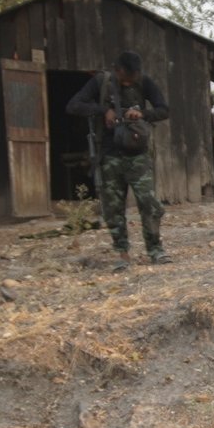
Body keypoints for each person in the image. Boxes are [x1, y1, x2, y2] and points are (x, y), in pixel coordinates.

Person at [66, 51, 171, 269]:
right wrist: (103, 111)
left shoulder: (144, 83)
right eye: (127, 76)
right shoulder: (101, 82)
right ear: (118, 70)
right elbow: (74, 105)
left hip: (138, 155)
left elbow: (163, 110)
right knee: (113, 209)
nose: (130, 80)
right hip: (109, 155)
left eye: (134, 76)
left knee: (149, 204)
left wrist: (141, 114)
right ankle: (122, 255)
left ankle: (156, 250)